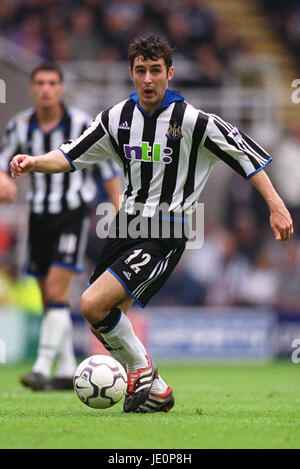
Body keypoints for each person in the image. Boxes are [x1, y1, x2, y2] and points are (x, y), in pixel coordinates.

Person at [10, 36, 293, 412]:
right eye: (140, 71)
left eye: (155, 71)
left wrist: (276, 205)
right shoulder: (116, 118)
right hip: (125, 226)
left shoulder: (193, 120)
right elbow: (71, 154)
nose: (148, 79)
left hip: (166, 231)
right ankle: (156, 390)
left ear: (169, 73)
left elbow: (245, 157)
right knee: (101, 321)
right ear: (131, 73)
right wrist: (33, 162)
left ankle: (143, 370)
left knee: (92, 303)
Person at [0, 62, 122, 391]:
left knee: (56, 290)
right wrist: (3, 181)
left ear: (61, 87)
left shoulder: (82, 123)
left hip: (71, 214)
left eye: (52, 82)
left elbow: (108, 170)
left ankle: (41, 366)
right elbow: (2, 162)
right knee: (48, 299)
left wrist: (119, 210)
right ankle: (68, 368)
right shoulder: (19, 126)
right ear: (31, 87)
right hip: (38, 217)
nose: (45, 89)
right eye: (39, 82)